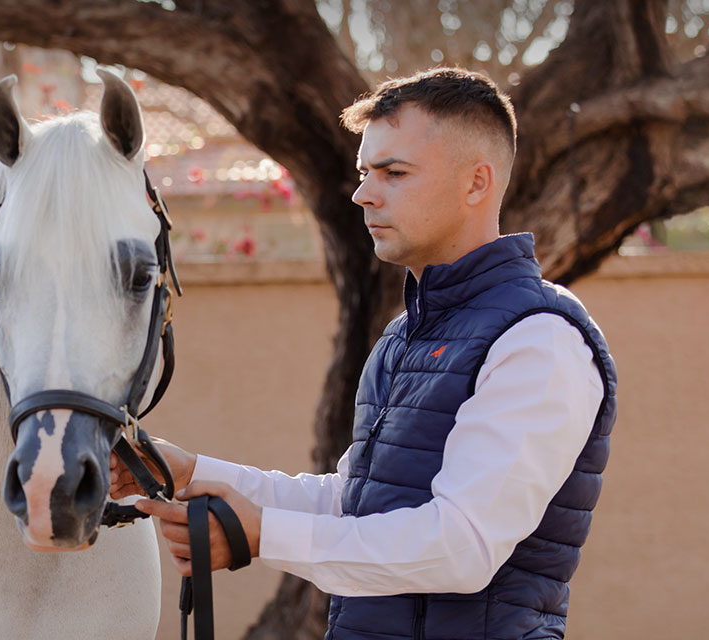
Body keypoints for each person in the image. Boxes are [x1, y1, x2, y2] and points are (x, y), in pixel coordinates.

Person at [114, 68, 618, 639]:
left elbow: (462, 547)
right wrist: (191, 472)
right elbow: (352, 504)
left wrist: (263, 535)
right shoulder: (403, 335)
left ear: (477, 183)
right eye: (363, 172)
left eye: (393, 172)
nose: (363, 194)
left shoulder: (540, 338)